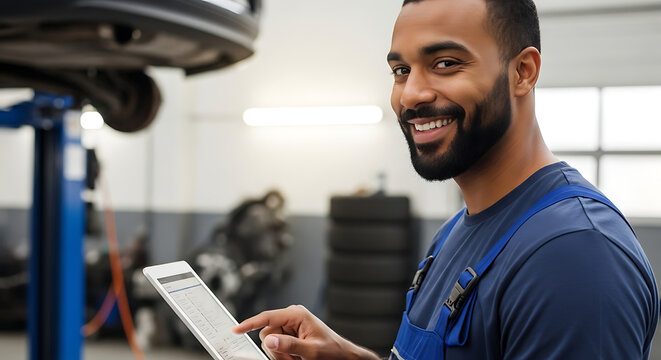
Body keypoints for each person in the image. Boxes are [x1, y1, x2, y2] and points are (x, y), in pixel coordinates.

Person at [233, 0, 660, 359]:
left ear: (523, 72)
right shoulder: (456, 231)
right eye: (401, 70)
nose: (412, 94)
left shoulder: (573, 256)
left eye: (445, 63)